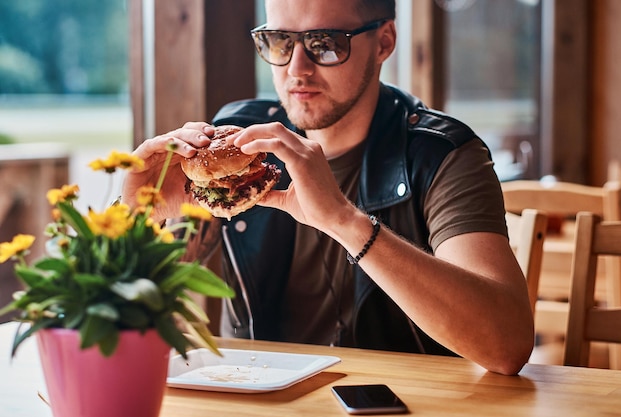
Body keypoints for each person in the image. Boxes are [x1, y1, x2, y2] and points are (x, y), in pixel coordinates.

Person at [122, 0, 535, 375]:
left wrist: (344, 221)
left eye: (326, 43)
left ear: (384, 42)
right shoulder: (241, 147)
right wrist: (137, 214)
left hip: (398, 401)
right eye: (279, 41)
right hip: (256, 396)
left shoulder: (440, 153)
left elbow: (506, 346)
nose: (296, 69)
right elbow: (121, 312)